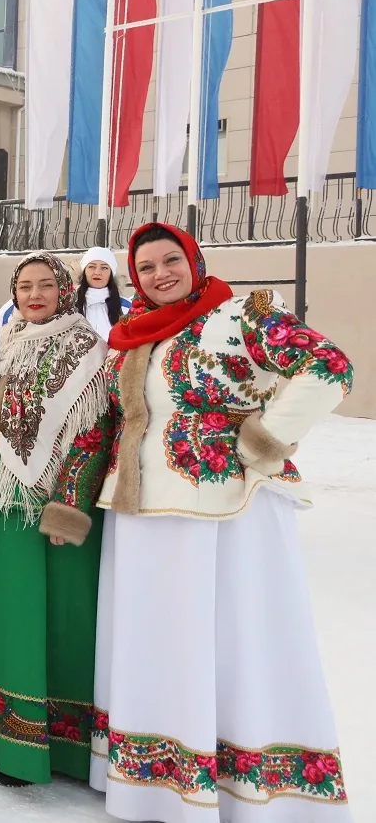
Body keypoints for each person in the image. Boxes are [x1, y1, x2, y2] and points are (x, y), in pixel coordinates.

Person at [91, 222, 354, 822]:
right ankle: (159, 778)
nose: (161, 274)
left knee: (234, 638)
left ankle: (249, 786)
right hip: (142, 514)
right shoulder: (133, 334)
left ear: (195, 260)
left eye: (171, 260)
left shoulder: (242, 315)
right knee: (161, 641)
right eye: (148, 266)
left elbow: (329, 366)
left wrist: (265, 438)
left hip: (227, 512)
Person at [0, 251, 112, 787]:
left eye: (45, 286)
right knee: (0, 618)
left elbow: (93, 432)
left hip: (46, 509)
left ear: (65, 289)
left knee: (43, 622)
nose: (34, 295)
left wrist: (69, 507)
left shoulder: (88, 348)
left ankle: (43, 746)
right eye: (25, 286)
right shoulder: (9, 340)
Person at [75, 246, 131, 339]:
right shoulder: (69, 306)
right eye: (92, 267)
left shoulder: (126, 307)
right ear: (84, 271)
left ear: (111, 273)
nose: (97, 272)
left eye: (104, 268)